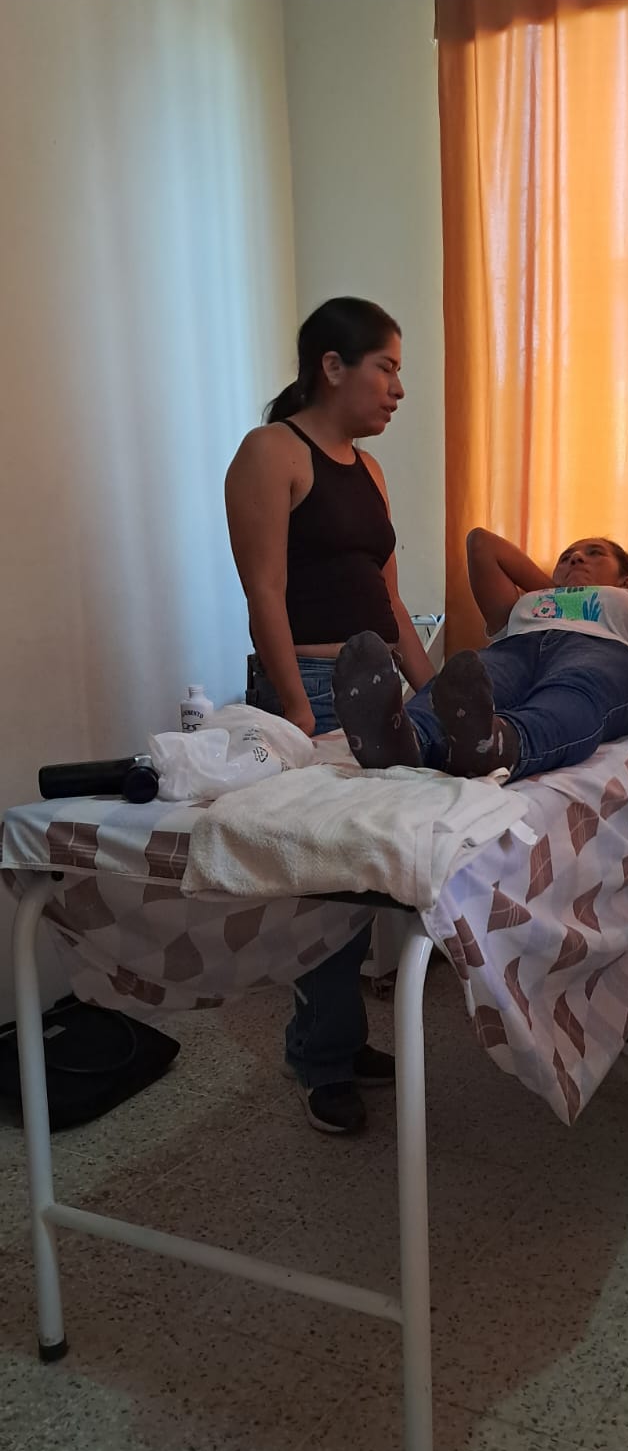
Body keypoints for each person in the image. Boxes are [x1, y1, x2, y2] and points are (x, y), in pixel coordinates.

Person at [225, 297, 435, 1135]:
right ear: (333, 366)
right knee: (325, 883)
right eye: (386, 368)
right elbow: (264, 593)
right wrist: (294, 713)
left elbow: (390, 601)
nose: (398, 389)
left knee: (365, 876)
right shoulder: (272, 451)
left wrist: (432, 689)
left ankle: (337, 1037)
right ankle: (321, 1056)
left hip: (379, 687)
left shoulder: (369, 470)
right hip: (310, 688)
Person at [330, 529, 628, 781]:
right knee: (470, 676)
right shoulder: (527, 603)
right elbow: (481, 543)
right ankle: (402, 739)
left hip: (603, 652)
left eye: (594, 554)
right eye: (567, 556)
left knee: (575, 690)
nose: (576, 557)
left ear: (627, 582)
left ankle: (501, 744)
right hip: (517, 649)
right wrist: (558, 594)